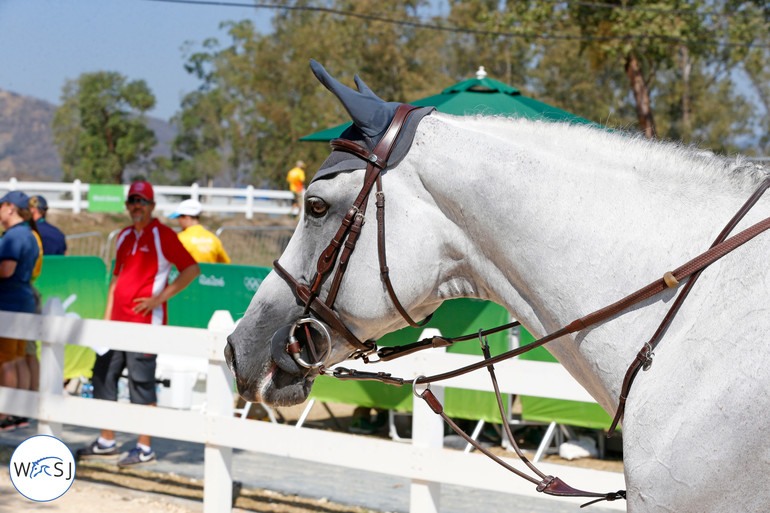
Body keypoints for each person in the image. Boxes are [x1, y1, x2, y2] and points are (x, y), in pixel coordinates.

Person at [76, 181, 200, 466]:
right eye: (132, 200)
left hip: (145, 325)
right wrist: (106, 323)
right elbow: (115, 280)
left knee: (141, 386)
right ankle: (107, 442)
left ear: (152, 206)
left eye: (142, 201)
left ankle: (145, 448)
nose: (136, 206)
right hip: (116, 325)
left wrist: (158, 300)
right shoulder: (122, 236)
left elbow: (191, 269)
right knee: (103, 380)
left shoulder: (164, 235)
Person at [0, 191, 40, 431]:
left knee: (5, 361)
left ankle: (4, 412)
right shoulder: (29, 234)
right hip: (22, 300)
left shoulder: (14, 237)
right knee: (17, 358)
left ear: (10, 207)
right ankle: (18, 411)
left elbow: (6, 269)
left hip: (8, 301)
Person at [169, 199, 231, 264]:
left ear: (186, 217)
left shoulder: (180, 239)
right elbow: (226, 263)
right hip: (209, 274)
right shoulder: (213, 238)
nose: (178, 222)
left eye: (179, 218)